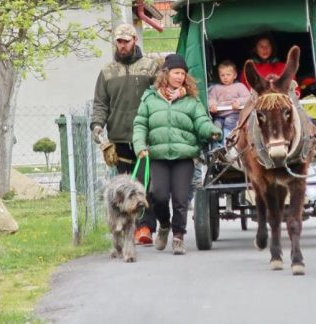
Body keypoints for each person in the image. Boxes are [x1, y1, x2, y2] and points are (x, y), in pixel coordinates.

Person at [133, 54, 221, 255]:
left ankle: (179, 236)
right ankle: (164, 225)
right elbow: (140, 124)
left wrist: (212, 130)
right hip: (158, 155)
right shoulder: (150, 98)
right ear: (166, 73)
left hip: (184, 156)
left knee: (181, 198)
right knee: (158, 196)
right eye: (176, 73)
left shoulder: (191, 100)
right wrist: (139, 145)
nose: (180, 77)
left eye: (183, 73)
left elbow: (201, 120)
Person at [91, 23, 159, 245]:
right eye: (119, 42)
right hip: (119, 137)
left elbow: (161, 95)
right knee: (125, 187)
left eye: (126, 41)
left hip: (146, 136)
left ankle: (145, 227)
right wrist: (97, 125)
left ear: (134, 40)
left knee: (145, 183)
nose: (122, 45)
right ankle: (127, 227)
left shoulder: (150, 67)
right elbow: (101, 103)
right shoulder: (107, 71)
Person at [208, 60, 250, 141]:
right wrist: (212, 105)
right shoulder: (216, 88)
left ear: (235, 75)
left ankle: (227, 143)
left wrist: (238, 102)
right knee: (216, 127)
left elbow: (248, 97)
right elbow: (211, 98)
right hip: (219, 115)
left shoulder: (239, 86)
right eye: (222, 75)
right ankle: (216, 146)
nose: (225, 77)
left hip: (233, 114)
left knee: (229, 123)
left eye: (228, 75)